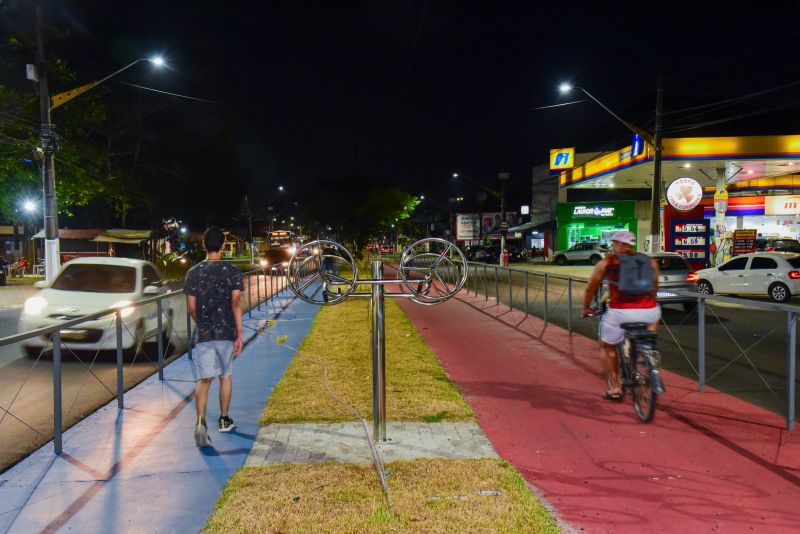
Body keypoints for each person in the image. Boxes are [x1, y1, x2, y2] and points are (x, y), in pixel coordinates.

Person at [582, 230, 661, 401]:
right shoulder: (649, 261)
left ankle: (616, 388)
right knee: (652, 317)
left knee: (607, 346)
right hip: (650, 311)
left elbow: (591, 287)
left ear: (618, 244)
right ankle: (645, 353)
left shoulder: (608, 262)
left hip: (621, 311)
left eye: (615, 243)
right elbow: (655, 287)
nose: (613, 245)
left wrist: (586, 308)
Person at [185, 227, 244, 447]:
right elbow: (236, 302)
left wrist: (202, 324)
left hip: (205, 333)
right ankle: (223, 419)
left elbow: (191, 307)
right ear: (222, 246)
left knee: (203, 379)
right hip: (226, 331)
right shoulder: (232, 270)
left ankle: (200, 422)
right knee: (225, 376)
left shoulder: (193, 272)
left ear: (204, 245)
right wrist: (239, 332)